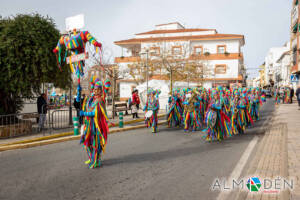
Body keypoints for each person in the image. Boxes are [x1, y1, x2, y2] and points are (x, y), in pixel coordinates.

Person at [80, 79, 111, 168]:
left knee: (96, 143)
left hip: (97, 126)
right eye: (94, 89)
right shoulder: (92, 99)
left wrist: (84, 114)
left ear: (101, 90)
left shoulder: (100, 100)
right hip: (89, 125)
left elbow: (95, 113)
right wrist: (79, 94)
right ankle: (92, 158)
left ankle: (96, 160)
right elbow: (87, 106)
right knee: (87, 142)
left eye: (98, 89)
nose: (95, 91)